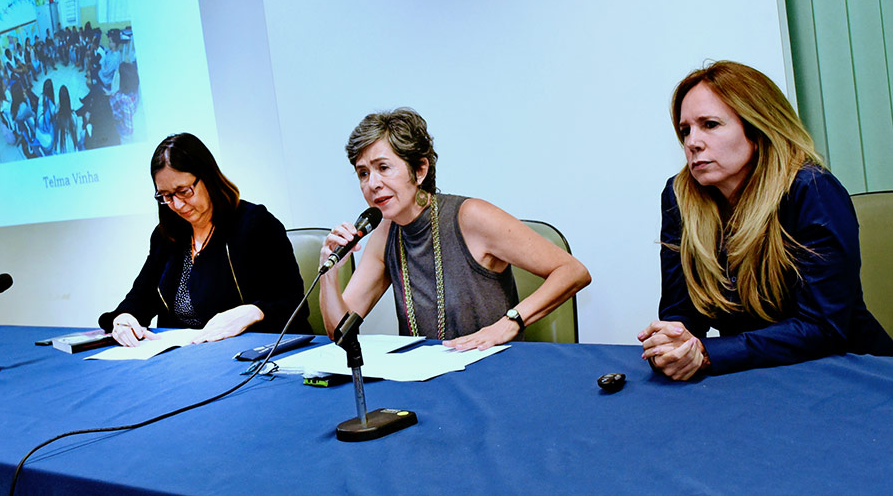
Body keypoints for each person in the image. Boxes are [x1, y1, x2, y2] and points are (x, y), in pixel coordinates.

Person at [638, 61, 893, 380]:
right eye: (685, 130)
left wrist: (707, 353)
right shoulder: (679, 197)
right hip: (751, 374)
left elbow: (823, 327)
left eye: (710, 124)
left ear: (758, 129)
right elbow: (681, 311)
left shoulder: (812, 190)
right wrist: (674, 344)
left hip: (848, 371)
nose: (693, 142)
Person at [319, 108, 590, 351]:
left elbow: (573, 272)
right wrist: (329, 275)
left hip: (492, 371)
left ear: (420, 169)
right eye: (363, 173)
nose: (372, 184)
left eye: (383, 168)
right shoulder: (384, 232)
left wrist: (511, 322)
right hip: (425, 382)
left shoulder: (471, 216)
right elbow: (340, 332)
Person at [98, 133, 311, 345]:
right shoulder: (166, 236)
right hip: (187, 357)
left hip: (250, 352)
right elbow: (141, 296)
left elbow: (292, 302)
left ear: (207, 177)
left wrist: (254, 312)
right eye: (166, 196)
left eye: (184, 191)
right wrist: (124, 318)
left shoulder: (254, 224)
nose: (178, 205)